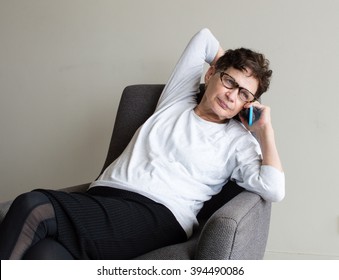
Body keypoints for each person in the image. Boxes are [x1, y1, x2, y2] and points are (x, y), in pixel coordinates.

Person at [0, 28, 285, 260]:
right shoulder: (176, 100)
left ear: (250, 103)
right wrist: (228, 67)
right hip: (103, 197)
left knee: (33, 205)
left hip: (158, 215)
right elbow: (204, 39)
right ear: (210, 74)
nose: (233, 96)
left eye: (244, 94)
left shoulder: (238, 141)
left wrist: (264, 131)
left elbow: (273, 188)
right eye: (229, 81)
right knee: (44, 255)